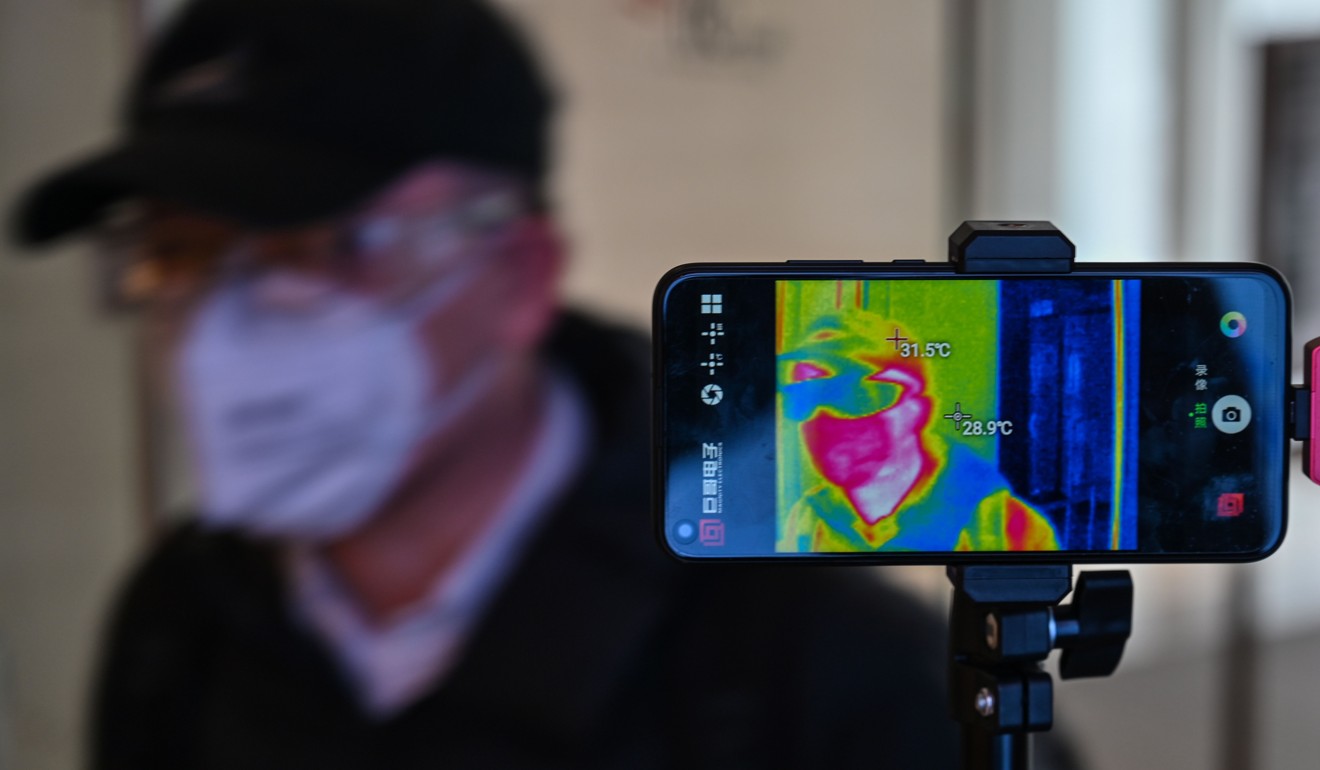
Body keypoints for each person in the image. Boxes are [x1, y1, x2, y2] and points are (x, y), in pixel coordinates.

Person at [11, 0, 959, 767]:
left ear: (518, 277)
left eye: (322, 246)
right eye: (182, 254)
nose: (230, 327)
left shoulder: (817, 658)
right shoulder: (183, 620)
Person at [778, 312, 1060, 553]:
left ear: (919, 410)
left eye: (857, 395)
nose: (824, 418)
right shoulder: (807, 518)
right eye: (803, 398)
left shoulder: (1005, 529)